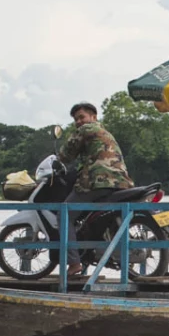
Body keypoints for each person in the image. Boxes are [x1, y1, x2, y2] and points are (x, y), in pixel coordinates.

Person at [57, 102, 135, 276]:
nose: (78, 121)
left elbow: (66, 154)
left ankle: (74, 262)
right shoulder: (105, 132)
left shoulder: (86, 130)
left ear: (93, 117)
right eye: (75, 119)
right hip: (121, 182)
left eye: (81, 117)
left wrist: (57, 159)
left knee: (64, 213)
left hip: (98, 181)